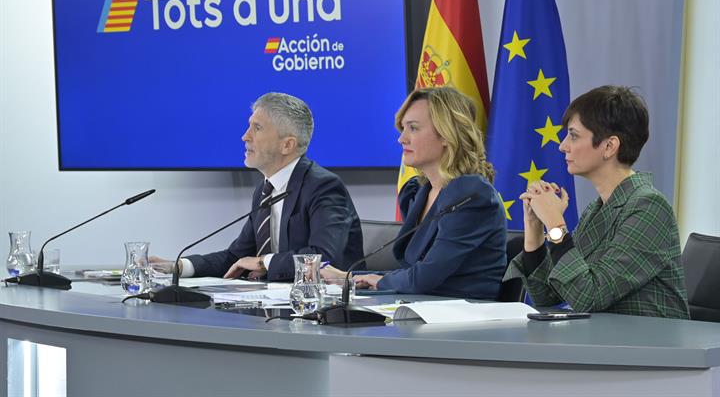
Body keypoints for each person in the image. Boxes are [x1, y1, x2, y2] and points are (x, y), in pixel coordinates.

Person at [505, 85, 689, 318]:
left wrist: (555, 223)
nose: (563, 146)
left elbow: (589, 297)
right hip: (606, 345)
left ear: (609, 146)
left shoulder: (649, 207)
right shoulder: (598, 208)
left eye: (573, 135)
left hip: (649, 349)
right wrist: (535, 228)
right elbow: (547, 297)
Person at [151, 92, 364, 281]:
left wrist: (264, 262)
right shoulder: (266, 189)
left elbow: (322, 257)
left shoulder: (323, 186)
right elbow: (238, 257)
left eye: (257, 128)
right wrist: (179, 266)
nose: (245, 136)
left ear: (287, 145)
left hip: (328, 309)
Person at [323, 87, 507, 299]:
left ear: (447, 134)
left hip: (467, 320)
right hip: (425, 310)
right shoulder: (419, 191)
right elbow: (414, 273)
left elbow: (426, 276)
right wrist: (349, 277)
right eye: (402, 129)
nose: (402, 139)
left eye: (413, 128)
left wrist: (379, 281)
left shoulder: (472, 194)